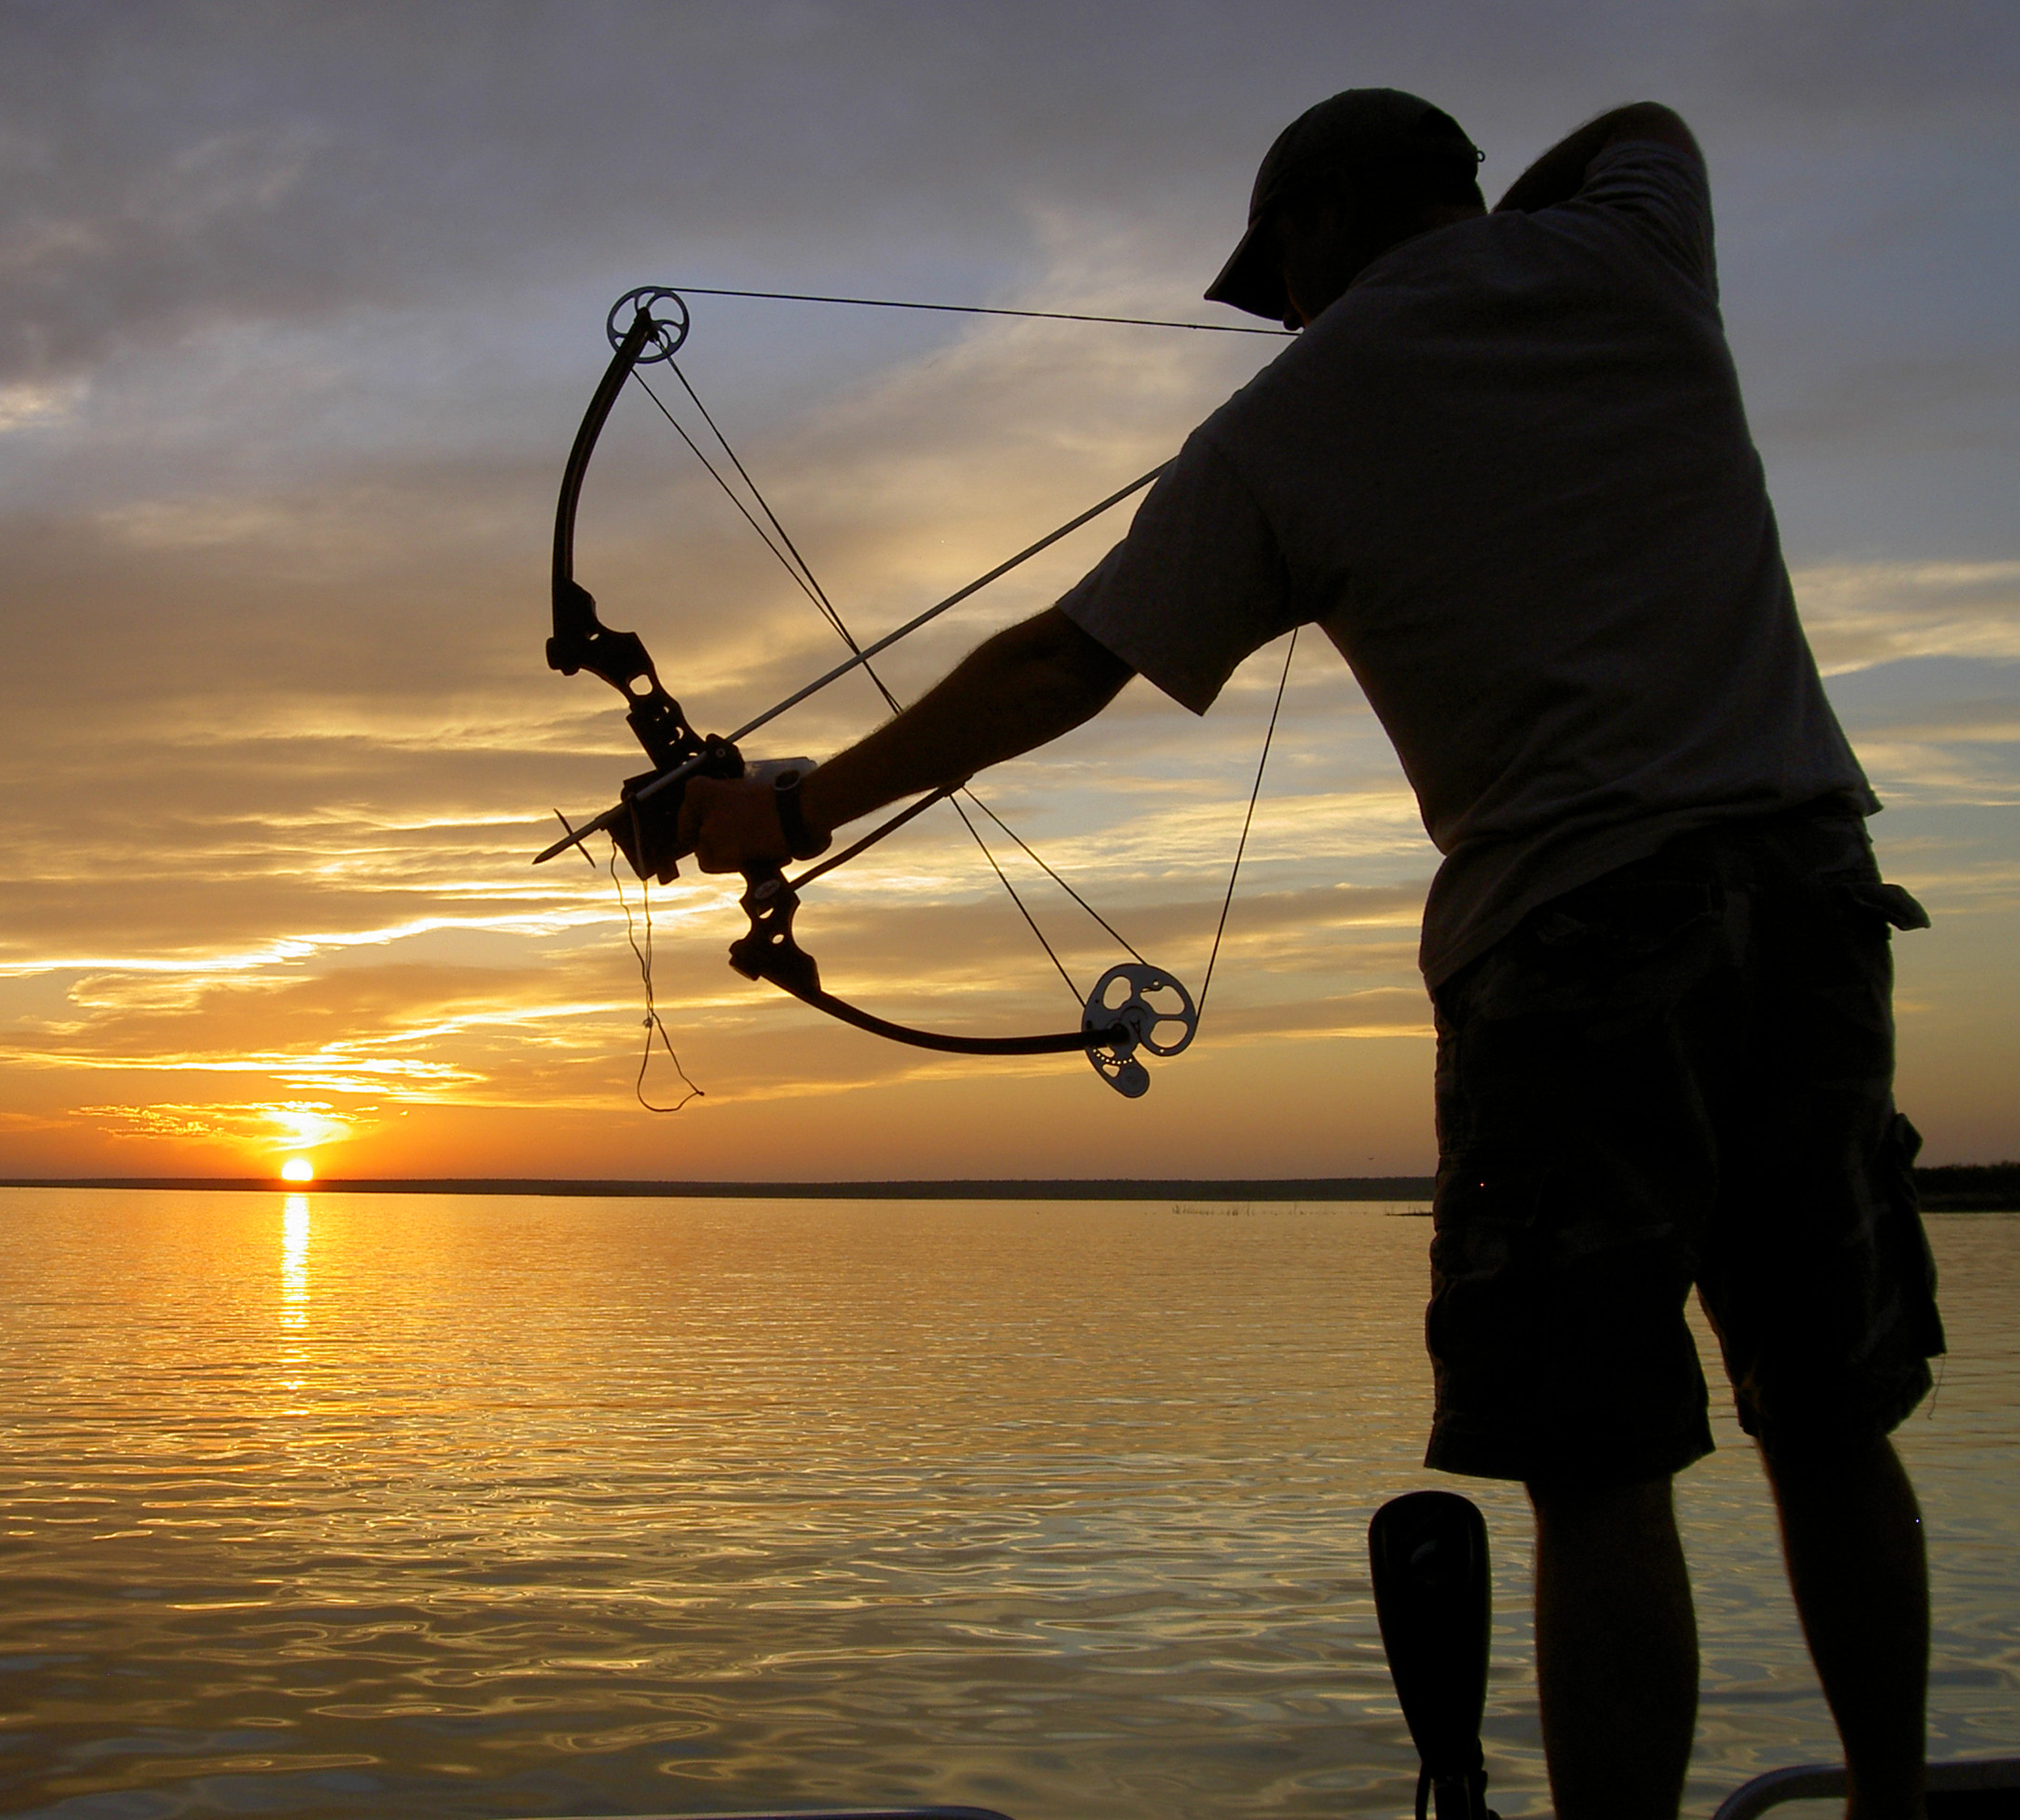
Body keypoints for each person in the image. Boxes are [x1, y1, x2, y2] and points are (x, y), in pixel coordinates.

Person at [680, 90, 1945, 1820]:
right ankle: (1894, 1801)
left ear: (1334, 219)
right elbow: (1643, 121)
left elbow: (1062, 670)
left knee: (1596, 1465)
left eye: (1281, 279)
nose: (1282, 319)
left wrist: (803, 802)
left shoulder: (1289, 427)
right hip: (1813, 892)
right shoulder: (1640, 248)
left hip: (1576, 941)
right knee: (1828, 1413)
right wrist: (1503, 236)